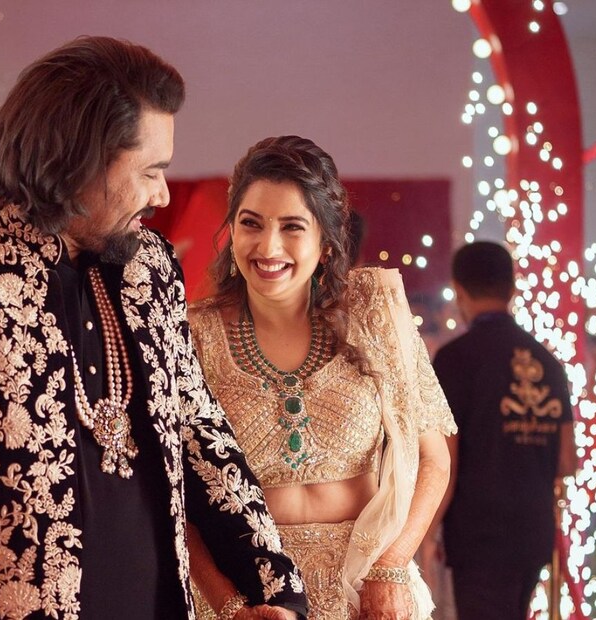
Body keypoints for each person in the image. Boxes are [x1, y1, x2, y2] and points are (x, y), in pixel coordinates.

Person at [0, 37, 308, 620]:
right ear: (79, 160)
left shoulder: (147, 265)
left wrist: (275, 592)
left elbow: (199, 435)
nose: (160, 193)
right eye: (151, 171)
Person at [187, 135, 456, 619]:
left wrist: (392, 566)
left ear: (326, 243)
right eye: (251, 223)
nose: (268, 246)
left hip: (369, 589)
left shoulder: (375, 318)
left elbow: (433, 459)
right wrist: (228, 606)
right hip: (249, 596)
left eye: (292, 227)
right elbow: (169, 490)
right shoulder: (190, 335)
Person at [426, 241, 576, 620]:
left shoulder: (455, 359)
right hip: (533, 532)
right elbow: (567, 461)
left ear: (459, 290)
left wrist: (424, 534)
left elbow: (444, 463)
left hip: (479, 535)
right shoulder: (548, 363)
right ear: (512, 288)